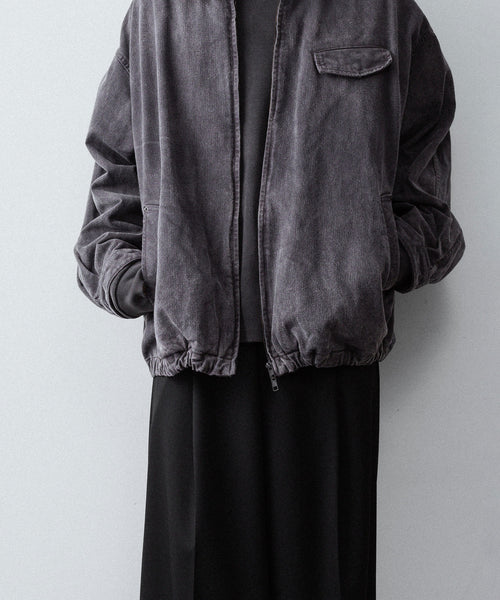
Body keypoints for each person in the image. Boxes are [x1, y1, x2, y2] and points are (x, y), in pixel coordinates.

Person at [73, 1, 466, 598]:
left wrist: (378, 259)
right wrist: (134, 274)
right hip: (194, 359)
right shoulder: (160, 13)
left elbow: (426, 183)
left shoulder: (382, 12)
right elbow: (114, 174)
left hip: (332, 361)